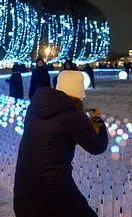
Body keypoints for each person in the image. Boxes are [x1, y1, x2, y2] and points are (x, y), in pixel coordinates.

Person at [14, 71, 108, 217]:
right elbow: (97, 146)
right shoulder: (71, 114)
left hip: (23, 187)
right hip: (52, 188)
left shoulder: (35, 105)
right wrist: (98, 120)